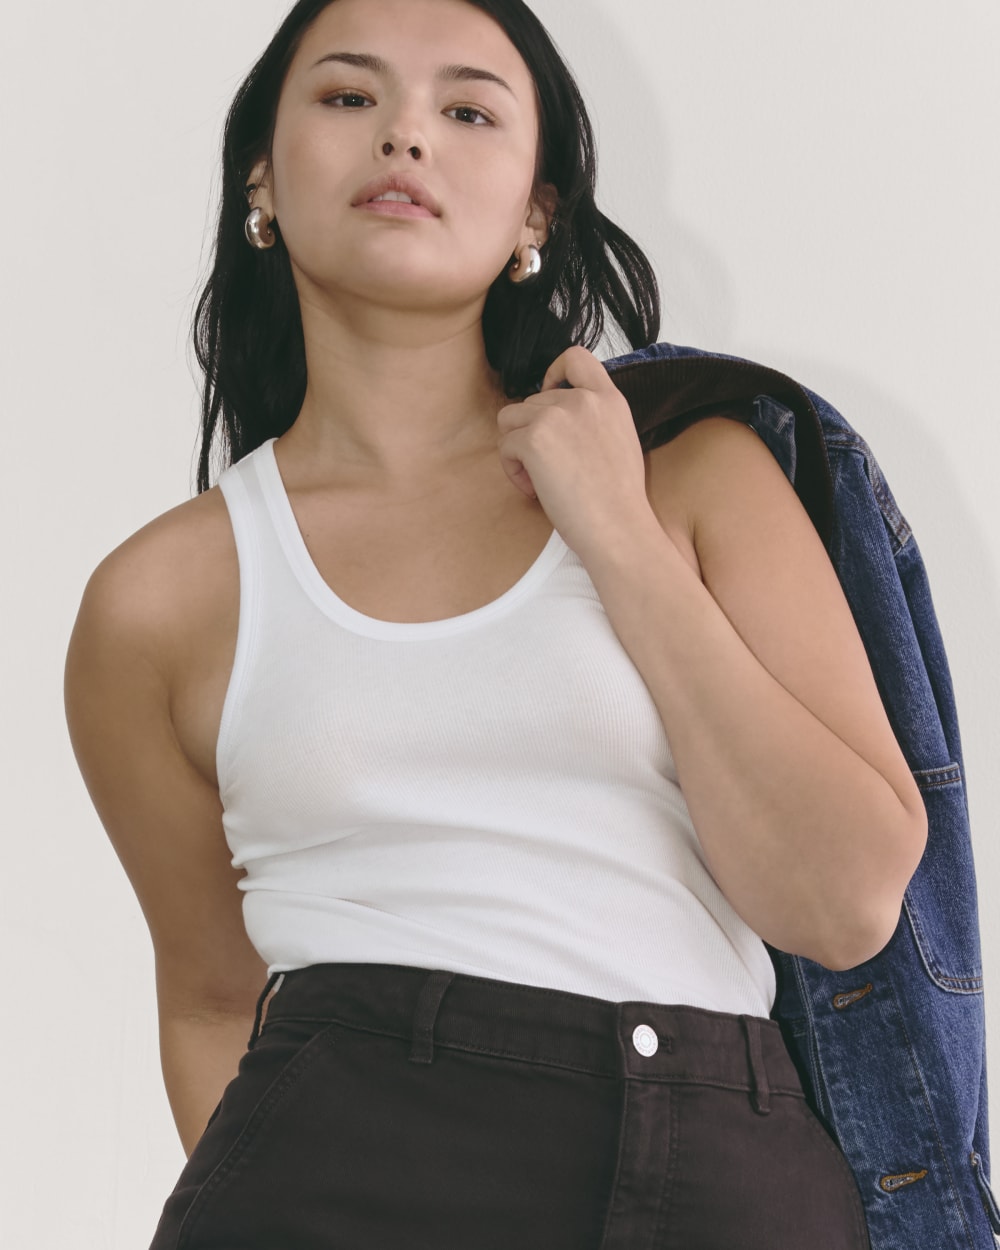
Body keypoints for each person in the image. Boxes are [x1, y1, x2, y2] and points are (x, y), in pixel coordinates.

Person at [63, 0, 929, 1246]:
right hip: (336, 1172)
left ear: (536, 213)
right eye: (349, 97)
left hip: (719, 1173)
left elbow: (844, 902)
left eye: (468, 110)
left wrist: (614, 532)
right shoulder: (162, 598)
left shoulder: (697, 480)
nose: (406, 135)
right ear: (261, 176)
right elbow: (207, 999)